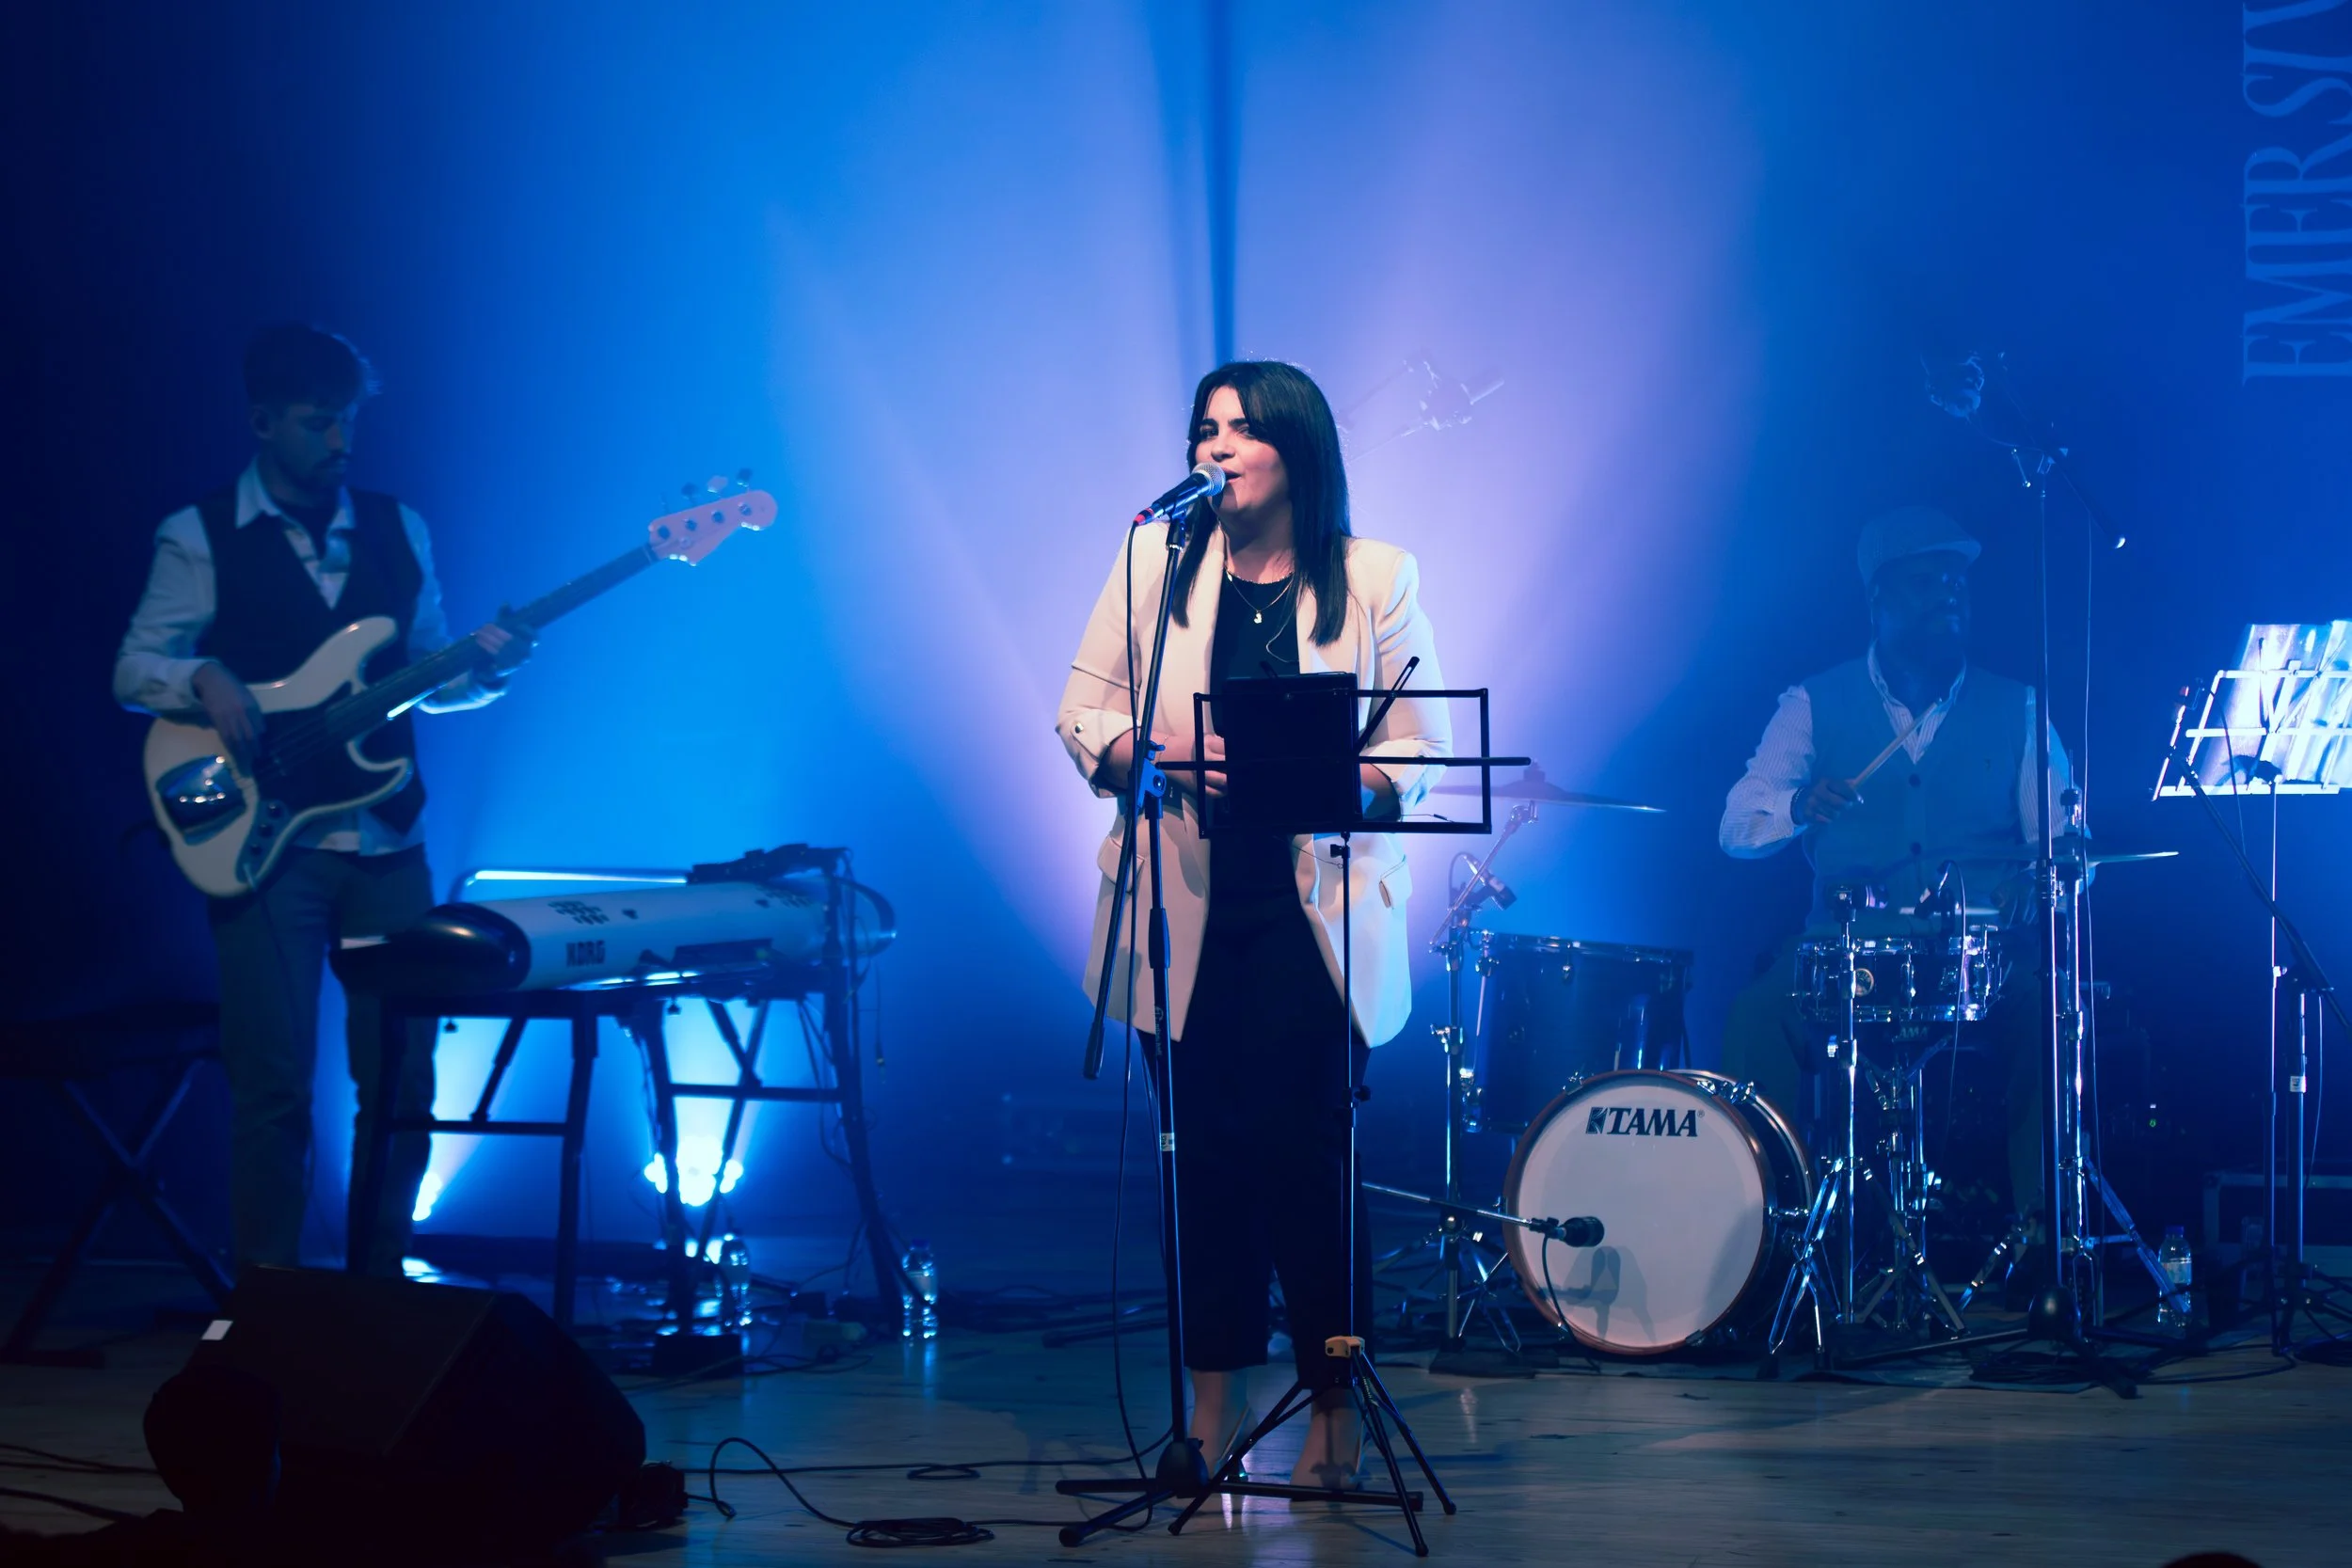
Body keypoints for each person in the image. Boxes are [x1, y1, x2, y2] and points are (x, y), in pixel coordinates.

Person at [1057, 361, 1449, 1491]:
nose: (1216, 447)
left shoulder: (1376, 576)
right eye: (1203, 428)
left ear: (1297, 449)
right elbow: (1083, 710)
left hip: (1311, 915)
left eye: (1241, 429)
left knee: (1307, 1165)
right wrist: (1153, 755)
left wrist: (1357, 783)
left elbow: (1417, 745)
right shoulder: (1154, 560)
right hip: (1183, 908)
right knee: (1204, 1165)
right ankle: (1209, 1408)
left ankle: (1336, 1407)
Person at [115, 324, 532, 1277]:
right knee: (272, 1085)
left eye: (347, 420)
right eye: (317, 421)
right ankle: (269, 1301)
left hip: (389, 835)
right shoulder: (198, 533)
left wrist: (491, 670)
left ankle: (377, 1287)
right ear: (264, 420)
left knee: (402, 1075)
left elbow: (432, 671)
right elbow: (133, 667)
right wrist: (203, 676)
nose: (340, 440)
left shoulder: (401, 527)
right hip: (271, 848)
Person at [1718, 505, 2072, 1239]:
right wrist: (1796, 806)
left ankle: (2046, 1237)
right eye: (1925, 582)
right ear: (1877, 602)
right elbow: (1736, 828)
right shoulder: (1814, 700)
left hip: (1978, 960)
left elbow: (2064, 848)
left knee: (2049, 1018)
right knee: (1756, 1013)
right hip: (1844, 959)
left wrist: (2040, 886)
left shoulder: (2021, 709)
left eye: (1957, 582)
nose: (1949, 594)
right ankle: (1764, 1231)